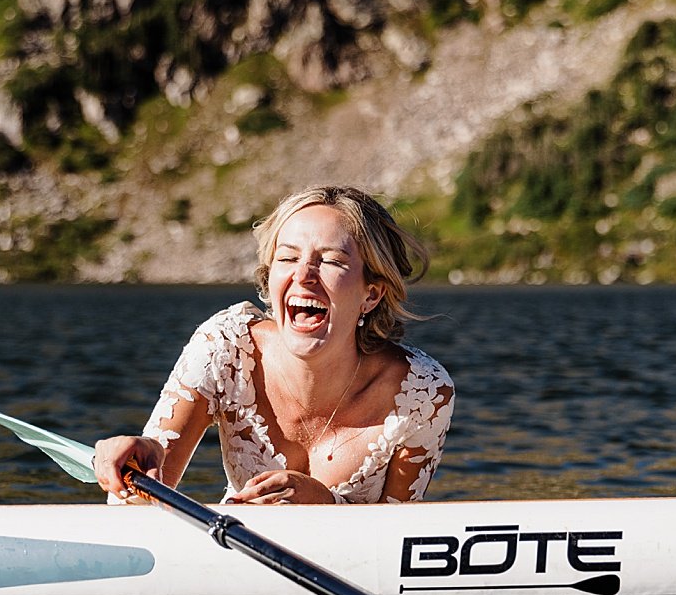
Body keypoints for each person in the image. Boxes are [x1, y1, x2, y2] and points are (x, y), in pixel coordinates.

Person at [93, 185, 454, 504]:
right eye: (287, 258)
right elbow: (141, 504)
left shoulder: (422, 393)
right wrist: (133, 460)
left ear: (371, 294)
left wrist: (325, 505)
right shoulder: (226, 347)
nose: (303, 275)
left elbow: (398, 542)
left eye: (330, 260)